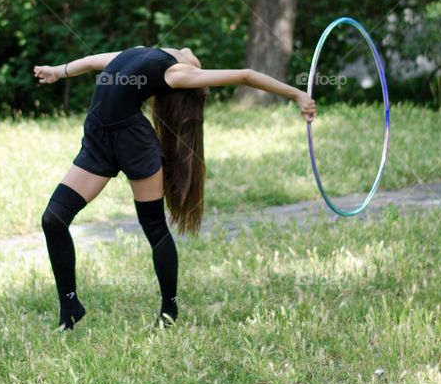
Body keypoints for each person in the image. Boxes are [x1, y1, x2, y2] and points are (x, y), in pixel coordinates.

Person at [33, 46, 316, 331]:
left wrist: (297, 94)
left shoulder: (177, 73)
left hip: (134, 145)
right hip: (98, 139)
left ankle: (169, 309)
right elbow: (94, 61)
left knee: (153, 228)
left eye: (196, 59)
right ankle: (69, 306)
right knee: (53, 219)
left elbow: (245, 75)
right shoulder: (140, 53)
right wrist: (58, 71)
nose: (191, 51)